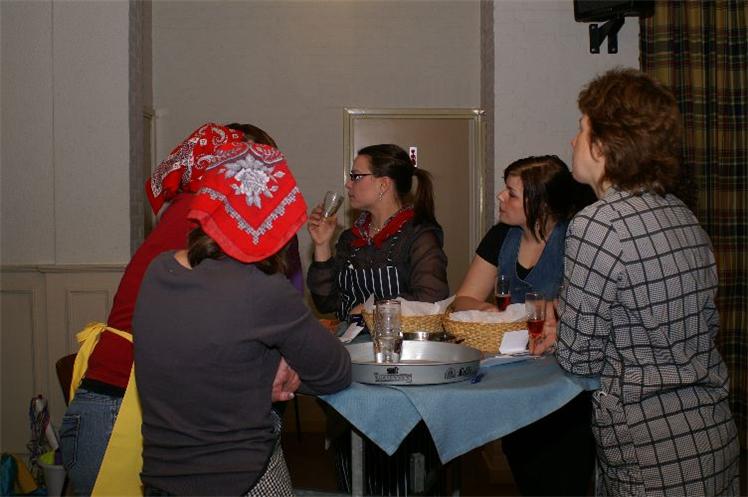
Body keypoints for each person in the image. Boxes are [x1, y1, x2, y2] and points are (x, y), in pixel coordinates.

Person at [59, 122, 302, 496]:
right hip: (124, 407)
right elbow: (258, 312)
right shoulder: (215, 215)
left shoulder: (193, 207)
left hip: (123, 402)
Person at [543, 68, 741, 495]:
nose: (573, 142)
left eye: (581, 129)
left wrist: (565, 331)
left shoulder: (598, 223)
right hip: (711, 431)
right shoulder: (681, 213)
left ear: (604, 144)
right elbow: (696, 326)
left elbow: (579, 360)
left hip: (648, 447)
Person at [133, 141, 352, 496]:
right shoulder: (263, 288)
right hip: (241, 480)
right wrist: (279, 364)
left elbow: (211, 354)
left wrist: (267, 366)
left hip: (160, 480)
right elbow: (335, 372)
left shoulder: (158, 271)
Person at [453, 155, 597, 496]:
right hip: (515, 381)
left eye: (512, 193)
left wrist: (532, 311)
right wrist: (490, 310)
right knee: (525, 470)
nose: (501, 197)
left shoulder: (576, 238)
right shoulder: (500, 236)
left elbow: (586, 306)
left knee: (564, 478)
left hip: (564, 384)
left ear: (541, 203)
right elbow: (464, 299)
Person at [307, 143, 449, 322]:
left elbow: (430, 299)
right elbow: (326, 303)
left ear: (383, 184)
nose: (348, 184)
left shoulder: (418, 236)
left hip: (399, 338)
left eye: (356, 176)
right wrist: (322, 245)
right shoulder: (350, 238)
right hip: (349, 338)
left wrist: (372, 310)